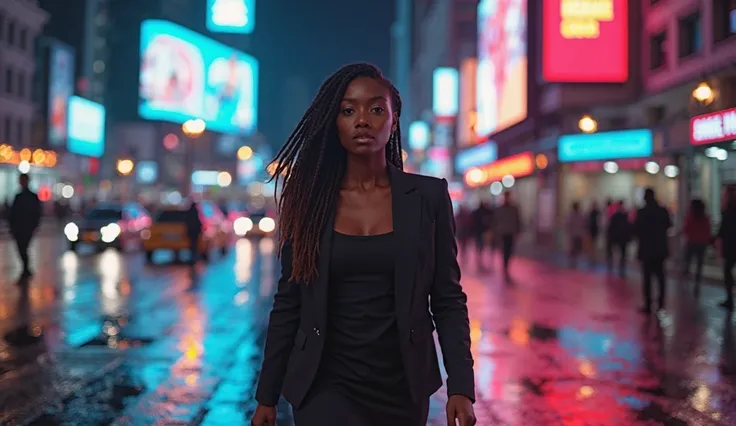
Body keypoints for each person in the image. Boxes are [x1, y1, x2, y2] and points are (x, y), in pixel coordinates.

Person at [251, 63, 476, 426]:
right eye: (348, 110)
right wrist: (267, 395)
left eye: (375, 109)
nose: (362, 120)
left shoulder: (428, 196)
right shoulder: (307, 199)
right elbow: (289, 300)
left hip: (402, 386)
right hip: (323, 384)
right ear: (334, 121)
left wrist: (460, 387)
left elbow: (448, 298)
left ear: (394, 119)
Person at [634, 188, 672, 313]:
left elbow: (636, 230)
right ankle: (661, 303)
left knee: (647, 278)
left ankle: (648, 304)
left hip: (646, 249)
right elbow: (668, 225)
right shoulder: (662, 211)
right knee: (661, 277)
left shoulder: (642, 212)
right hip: (660, 249)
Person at [7, 174, 42, 278]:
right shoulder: (19, 197)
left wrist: (34, 225)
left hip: (27, 227)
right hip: (19, 228)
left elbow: (37, 213)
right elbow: (12, 213)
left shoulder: (31, 197)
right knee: (21, 248)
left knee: (23, 248)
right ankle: (26, 269)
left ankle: (26, 269)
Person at [682, 199, 711, 295]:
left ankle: (685, 281)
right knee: (699, 265)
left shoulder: (690, 217)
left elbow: (686, 229)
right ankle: (697, 284)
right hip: (702, 244)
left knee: (687, 262)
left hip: (691, 242)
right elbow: (708, 230)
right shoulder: (705, 217)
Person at [716, 187, 736, 310]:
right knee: (728, 272)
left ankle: (730, 299)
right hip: (731, 245)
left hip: (730, 246)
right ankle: (729, 299)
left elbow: (723, 230)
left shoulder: (727, 211)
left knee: (727, 272)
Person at [494, 191, 521, 279]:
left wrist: (518, 230)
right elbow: (496, 220)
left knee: (509, 250)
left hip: (510, 232)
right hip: (503, 232)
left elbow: (517, 220)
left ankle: (506, 264)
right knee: (505, 250)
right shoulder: (500, 208)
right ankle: (505, 265)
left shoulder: (514, 208)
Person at [606, 201, 632, 278]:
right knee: (622, 254)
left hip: (617, 237)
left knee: (615, 253)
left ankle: (612, 267)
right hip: (622, 238)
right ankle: (621, 270)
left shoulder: (615, 216)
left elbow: (611, 228)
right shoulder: (624, 216)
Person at [471, 201, 493, 271]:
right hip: (484, 232)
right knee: (485, 247)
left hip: (478, 232)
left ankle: (480, 262)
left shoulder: (476, 212)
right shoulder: (487, 212)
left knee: (480, 248)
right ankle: (483, 262)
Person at [566, 201, 586, 267]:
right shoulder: (576, 214)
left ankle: (573, 261)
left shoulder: (574, 215)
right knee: (574, 248)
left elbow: (568, 224)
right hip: (576, 234)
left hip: (575, 234)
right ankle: (573, 260)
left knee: (575, 248)